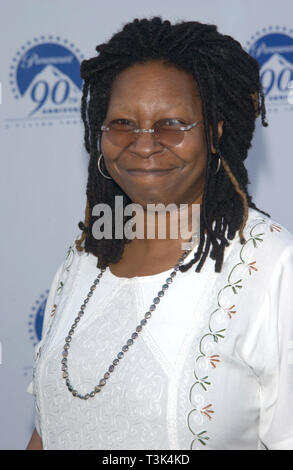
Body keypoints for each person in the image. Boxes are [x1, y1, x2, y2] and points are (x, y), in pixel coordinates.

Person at [26, 16, 293, 450]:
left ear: (215, 133)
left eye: (172, 123)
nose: (144, 143)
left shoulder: (272, 266)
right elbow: (47, 430)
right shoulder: (86, 255)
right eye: (122, 123)